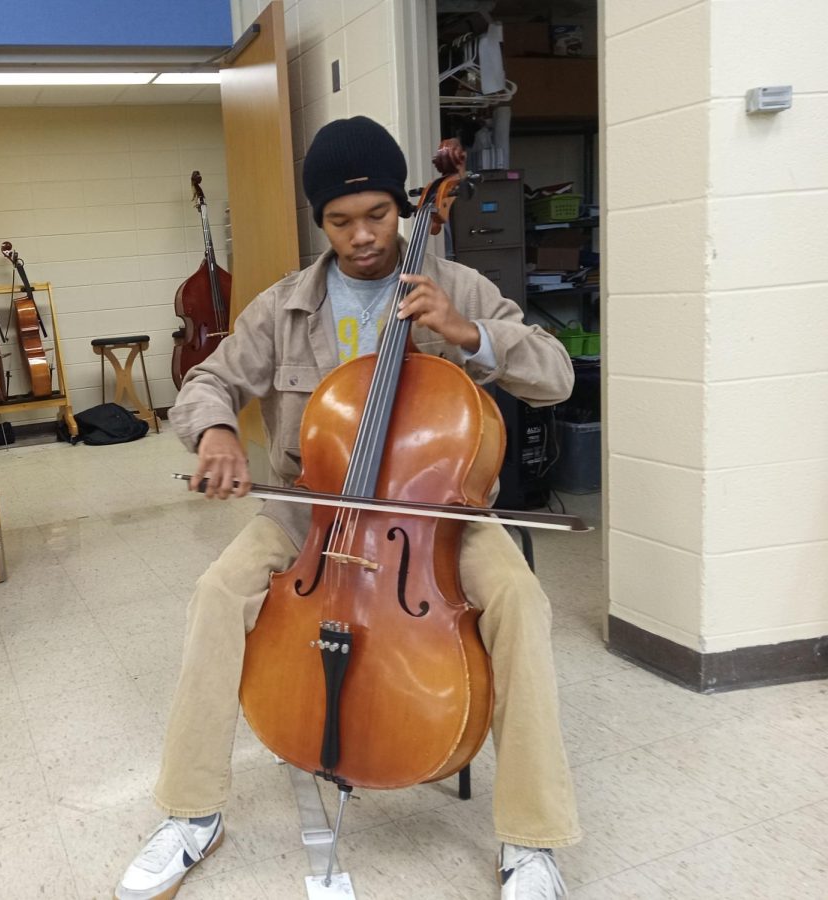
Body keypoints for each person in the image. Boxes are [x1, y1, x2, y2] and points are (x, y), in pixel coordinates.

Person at [115, 116, 578, 900]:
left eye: (376, 215)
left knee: (520, 601)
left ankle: (531, 839)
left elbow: (557, 375)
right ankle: (191, 814)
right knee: (217, 592)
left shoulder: (457, 285)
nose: (361, 236)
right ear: (319, 221)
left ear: (402, 206)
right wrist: (217, 432)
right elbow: (206, 382)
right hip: (312, 512)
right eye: (339, 221)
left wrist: (468, 335)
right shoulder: (283, 306)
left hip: (439, 517)